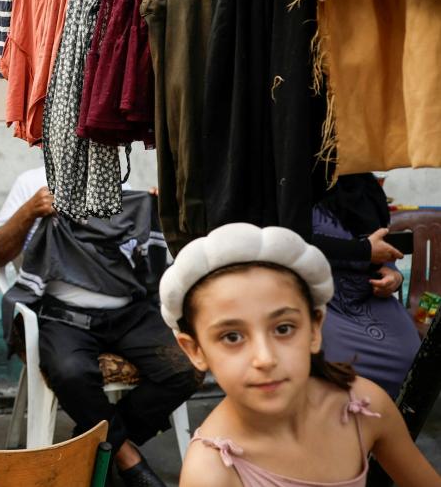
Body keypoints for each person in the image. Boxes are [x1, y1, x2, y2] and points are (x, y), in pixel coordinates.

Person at [161, 223, 440, 486]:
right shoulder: (211, 471)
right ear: (195, 350)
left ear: (315, 328)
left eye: (283, 328)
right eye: (231, 337)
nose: (265, 358)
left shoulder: (364, 407)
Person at [0, 167, 197, 486]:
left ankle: (95, 443)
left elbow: (149, 258)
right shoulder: (32, 181)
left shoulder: (123, 185)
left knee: (187, 367)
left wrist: (159, 213)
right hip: (63, 316)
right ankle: (128, 457)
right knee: (70, 372)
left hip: (130, 311)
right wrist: (30, 210)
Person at [311, 173, 419, 398]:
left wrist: (394, 276)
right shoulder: (294, 192)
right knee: (340, 367)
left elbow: (382, 245)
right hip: (321, 300)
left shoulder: (366, 189)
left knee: (411, 357)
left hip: (370, 296)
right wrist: (362, 250)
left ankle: (383, 428)